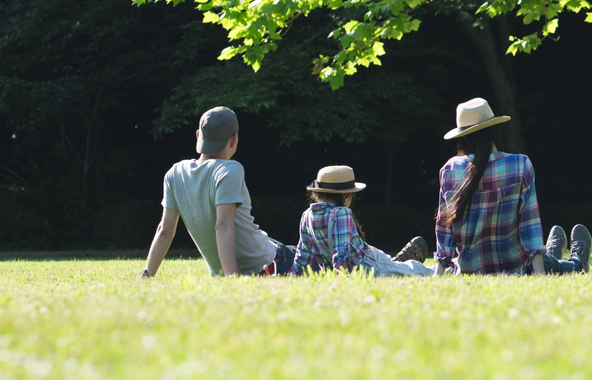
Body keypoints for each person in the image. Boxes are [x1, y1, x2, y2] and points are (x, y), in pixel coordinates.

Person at [434, 97, 592, 276]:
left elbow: (444, 229)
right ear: (495, 129)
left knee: (545, 261)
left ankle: (552, 253)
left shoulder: (450, 169)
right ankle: (578, 262)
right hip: (516, 269)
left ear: (463, 137)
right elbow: (529, 225)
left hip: (468, 271)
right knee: (554, 266)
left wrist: (437, 275)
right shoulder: (520, 164)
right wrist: (540, 277)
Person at [141, 107, 295, 278]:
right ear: (234, 139)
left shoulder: (175, 174)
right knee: (317, 259)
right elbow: (222, 225)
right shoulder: (229, 170)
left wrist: (147, 275)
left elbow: (165, 230)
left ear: (198, 135)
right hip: (269, 264)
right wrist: (232, 279)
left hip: (270, 250)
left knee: (294, 249)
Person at [293, 165, 434, 277]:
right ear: (347, 195)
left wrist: (295, 275)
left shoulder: (307, 215)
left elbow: (303, 253)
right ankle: (441, 269)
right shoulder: (342, 213)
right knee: (412, 271)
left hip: (364, 260)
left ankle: (398, 265)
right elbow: (340, 253)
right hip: (368, 265)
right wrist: (341, 277)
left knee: (397, 267)